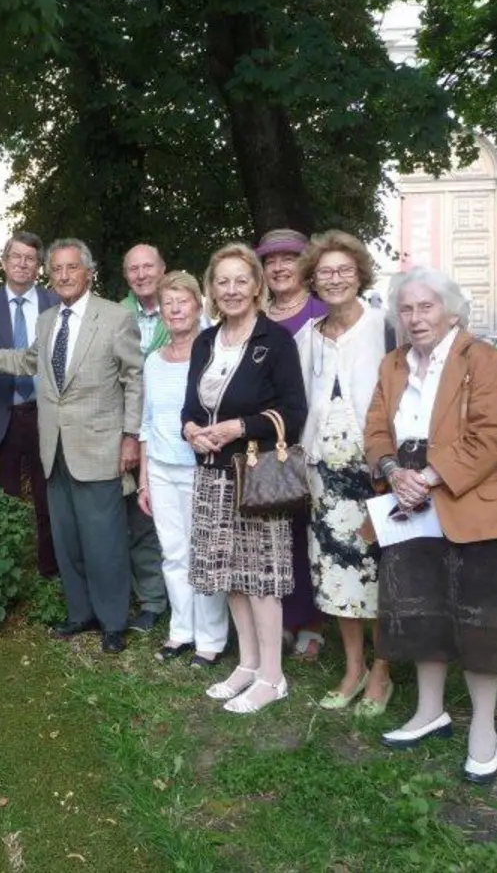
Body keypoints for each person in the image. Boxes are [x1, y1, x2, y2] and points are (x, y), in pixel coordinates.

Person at [364, 268, 497, 785]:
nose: (415, 318)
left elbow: (492, 436)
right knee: (420, 609)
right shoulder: (393, 364)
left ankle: (484, 728)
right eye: (406, 309)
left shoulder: (481, 359)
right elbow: (374, 429)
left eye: (426, 307)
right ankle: (429, 711)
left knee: (479, 619)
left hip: (466, 497)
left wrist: (429, 477)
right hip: (408, 499)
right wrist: (392, 471)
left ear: (451, 310)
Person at [0, 238, 144, 654]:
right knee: (68, 538)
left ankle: (113, 621)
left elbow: (135, 379)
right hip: (54, 448)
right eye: (56, 269)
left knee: (105, 541)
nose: (62, 276)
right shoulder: (47, 320)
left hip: (99, 449)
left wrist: (131, 437)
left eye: (71, 268)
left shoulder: (114, 318)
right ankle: (81, 615)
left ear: (88, 272)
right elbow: (27, 363)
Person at [182, 243, 308, 713]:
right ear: (211, 288)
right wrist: (191, 430)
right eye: (222, 281)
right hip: (212, 473)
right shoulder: (205, 341)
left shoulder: (274, 342)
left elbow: (294, 413)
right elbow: (191, 408)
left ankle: (274, 677)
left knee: (260, 578)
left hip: (255, 473)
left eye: (241, 281)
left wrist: (239, 426)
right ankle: (249, 664)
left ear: (257, 286)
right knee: (231, 574)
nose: (231, 290)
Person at [294, 231, 395, 715]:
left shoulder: (384, 327)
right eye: (325, 272)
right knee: (337, 573)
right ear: (313, 280)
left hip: (374, 473)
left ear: (360, 275)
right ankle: (353, 667)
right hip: (323, 477)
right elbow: (298, 403)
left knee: (379, 574)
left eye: (344, 271)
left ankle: (383, 670)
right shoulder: (306, 337)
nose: (334, 279)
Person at [138, 272, 229, 666]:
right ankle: (181, 631)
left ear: (198, 305)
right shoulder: (153, 362)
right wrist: (143, 478)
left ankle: (211, 638)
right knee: (173, 553)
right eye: (167, 303)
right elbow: (146, 421)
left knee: (204, 552)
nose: (174, 309)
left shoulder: (213, 354)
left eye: (182, 301)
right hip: (160, 467)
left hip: (201, 467)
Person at [0, 232, 60, 580]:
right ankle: (5, 575)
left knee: (50, 499)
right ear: (4, 262)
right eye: (15, 257)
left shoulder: (55, 303)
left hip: (46, 415)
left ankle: (51, 572)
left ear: (39, 267)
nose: (22, 263)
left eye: (30, 258)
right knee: (3, 498)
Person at [256, 228, 328, 660]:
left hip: (310, 441)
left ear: (306, 265)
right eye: (270, 260)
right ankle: (281, 616)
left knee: (307, 533)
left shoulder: (321, 314)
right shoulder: (255, 314)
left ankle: (312, 622)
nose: (279, 267)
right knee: (271, 530)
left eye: (289, 258)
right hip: (264, 441)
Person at [120, 244, 170, 631]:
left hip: (177, 432)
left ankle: (196, 603)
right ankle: (152, 599)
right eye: (133, 269)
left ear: (162, 269)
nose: (140, 275)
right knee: (141, 519)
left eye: (147, 267)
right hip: (131, 430)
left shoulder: (185, 306)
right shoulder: (114, 315)